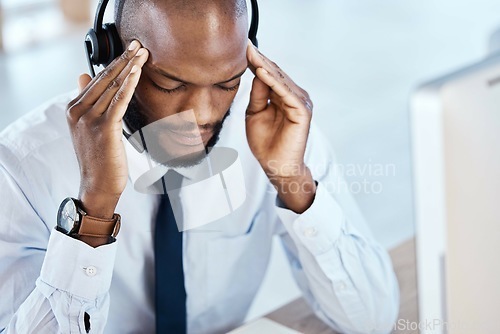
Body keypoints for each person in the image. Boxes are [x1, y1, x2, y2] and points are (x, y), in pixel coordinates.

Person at [0, 0, 399, 333]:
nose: (202, 115)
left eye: (227, 83)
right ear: (109, 58)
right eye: (171, 86)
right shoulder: (20, 166)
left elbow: (371, 320)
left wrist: (292, 180)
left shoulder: (274, 129)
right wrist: (95, 209)